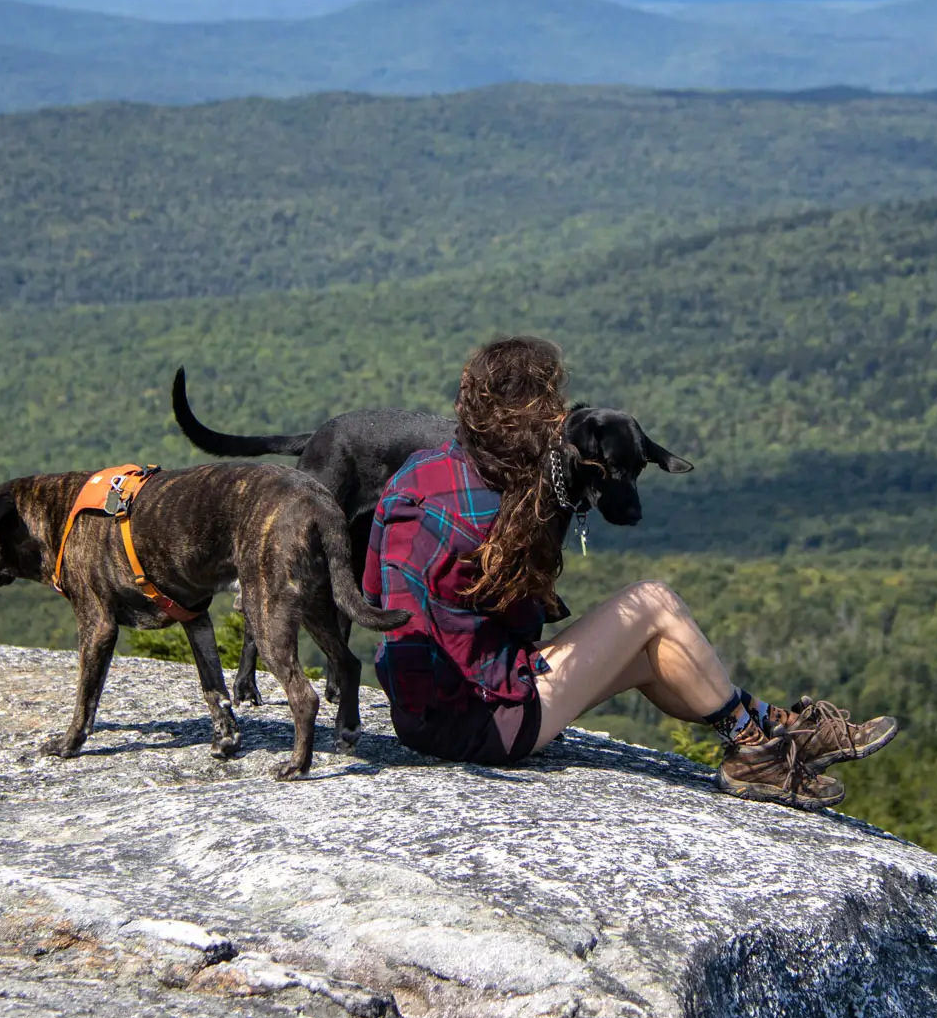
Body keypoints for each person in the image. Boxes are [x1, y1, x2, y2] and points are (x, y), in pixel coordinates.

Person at [363, 336, 897, 808]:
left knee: (649, 653)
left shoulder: (421, 470)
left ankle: (780, 728)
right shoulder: (497, 509)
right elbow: (523, 623)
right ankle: (757, 753)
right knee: (654, 603)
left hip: (421, 713)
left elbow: (375, 598)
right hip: (484, 721)